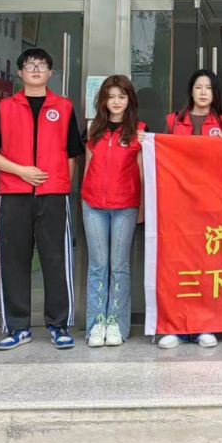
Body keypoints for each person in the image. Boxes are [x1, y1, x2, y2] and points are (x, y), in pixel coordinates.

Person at [0, 48, 84, 351]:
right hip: (14, 194)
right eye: (29, 65)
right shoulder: (6, 106)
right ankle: (17, 328)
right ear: (20, 73)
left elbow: (72, 153)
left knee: (56, 261)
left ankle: (58, 325)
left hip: (53, 196)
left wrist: (62, 186)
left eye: (41, 65)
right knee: (14, 261)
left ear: (50, 73)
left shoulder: (63, 106)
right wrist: (21, 171)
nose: (36, 69)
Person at [156, 69, 222, 350]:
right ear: (191, 91)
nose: (203, 93)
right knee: (177, 264)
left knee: (208, 265)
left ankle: (204, 325)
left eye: (208, 88)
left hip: (212, 204)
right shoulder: (173, 121)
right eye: (198, 87)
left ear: (215, 94)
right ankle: (175, 326)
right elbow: (160, 156)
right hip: (178, 204)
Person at [81, 75, 147, 348]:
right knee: (98, 265)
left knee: (119, 267)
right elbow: (88, 166)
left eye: (121, 96)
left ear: (130, 99)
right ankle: (96, 324)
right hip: (93, 205)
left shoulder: (140, 131)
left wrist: (142, 207)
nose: (116, 101)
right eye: (111, 96)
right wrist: (84, 197)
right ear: (103, 100)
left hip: (125, 206)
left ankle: (116, 325)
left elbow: (142, 173)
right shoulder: (93, 128)